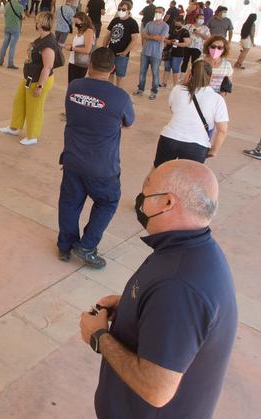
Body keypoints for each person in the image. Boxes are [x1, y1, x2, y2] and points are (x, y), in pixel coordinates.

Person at [81, 160, 236, 419]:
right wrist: (134, 306)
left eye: (147, 191)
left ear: (167, 203)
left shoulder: (178, 288)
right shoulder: (193, 250)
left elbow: (157, 389)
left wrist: (98, 336)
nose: (141, 199)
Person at [58, 47, 135, 269]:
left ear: (89, 65)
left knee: (70, 203)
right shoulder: (120, 97)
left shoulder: (74, 87)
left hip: (72, 159)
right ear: (112, 69)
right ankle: (87, 245)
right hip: (103, 166)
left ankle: (65, 246)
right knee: (108, 201)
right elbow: (128, 122)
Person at [0, 12, 60, 146]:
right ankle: (14, 127)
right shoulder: (41, 38)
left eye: (37, 20)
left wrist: (40, 86)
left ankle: (32, 135)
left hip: (38, 80)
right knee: (19, 100)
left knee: (35, 108)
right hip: (29, 78)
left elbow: (47, 67)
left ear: (42, 23)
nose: (35, 22)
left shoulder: (48, 44)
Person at [155, 60, 228, 165]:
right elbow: (222, 131)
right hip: (197, 145)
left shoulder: (177, 89)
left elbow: (173, 109)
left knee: (157, 172)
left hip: (170, 138)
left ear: (190, 74)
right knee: (189, 179)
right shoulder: (218, 99)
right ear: (211, 77)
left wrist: (186, 79)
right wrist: (214, 151)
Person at [101, 0, 140, 90]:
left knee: (120, 76)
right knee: (109, 73)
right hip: (111, 52)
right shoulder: (115, 21)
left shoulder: (132, 23)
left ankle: (118, 92)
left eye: (123, 9)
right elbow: (108, 35)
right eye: (119, 9)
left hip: (122, 54)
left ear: (128, 11)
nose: (121, 11)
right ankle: (110, 90)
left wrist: (125, 52)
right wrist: (104, 48)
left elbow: (134, 40)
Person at [136, 6, 169, 100]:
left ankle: (154, 91)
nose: (157, 13)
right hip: (145, 51)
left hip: (156, 53)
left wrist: (150, 36)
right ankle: (140, 89)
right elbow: (143, 35)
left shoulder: (165, 26)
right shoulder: (149, 23)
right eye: (156, 11)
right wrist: (154, 37)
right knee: (142, 72)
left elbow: (161, 39)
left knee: (155, 73)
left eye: (159, 12)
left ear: (163, 13)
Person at [64, 13, 94, 85]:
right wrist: (70, 45)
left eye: (77, 22)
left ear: (84, 21)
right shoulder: (80, 31)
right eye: (75, 22)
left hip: (80, 63)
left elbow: (87, 50)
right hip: (72, 61)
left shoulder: (89, 32)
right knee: (71, 84)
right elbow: (78, 45)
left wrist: (72, 48)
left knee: (76, 85)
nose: (76, 24)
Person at [0, 0, 25, 69]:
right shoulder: (20, 6)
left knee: (4, 45)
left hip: (7, 27)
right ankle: (10, 64)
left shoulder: (7, 4)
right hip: (15, 28)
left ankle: (0, 61)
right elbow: (23, 17)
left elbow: (5, 15)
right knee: (12, 46)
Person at [163, 18, 189, 86]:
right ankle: (164, 82)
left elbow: (186, 43)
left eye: (178, 23)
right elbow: (165, 38)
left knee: (175, 68)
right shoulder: (172, 30)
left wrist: (177, 44)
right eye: (176, 23)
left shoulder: (185, 32)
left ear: (182, 24)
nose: (177, 25)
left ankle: (175, 85)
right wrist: (167, 41)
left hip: (178, 53)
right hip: (168, 51)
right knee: (167, 67)